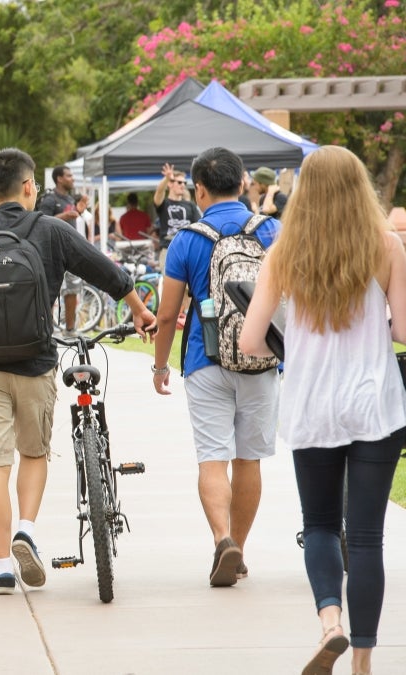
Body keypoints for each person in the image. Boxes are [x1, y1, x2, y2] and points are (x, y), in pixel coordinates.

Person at [0, 148, 156, 595]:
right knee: (33, 453)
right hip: (36, 361)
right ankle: (27, 530)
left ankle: (1, 566)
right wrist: (137, 311)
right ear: (29, 186)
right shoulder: (51, 230)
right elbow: (106, 272)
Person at [239, 145, 406, 675]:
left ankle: (329, 623)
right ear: (361, 188)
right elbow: (403, 331)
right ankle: (362, 657)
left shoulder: (284, 253)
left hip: (311, 405)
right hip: (375, 405)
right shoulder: (387, 246)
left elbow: (249, 342)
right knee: (366, 536)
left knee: (318, 525)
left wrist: (296, 348)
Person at [151, 147, 280, 587]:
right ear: (244, 183)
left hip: (204, 359)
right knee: (249, 460)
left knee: (212, 459)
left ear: (199, 190)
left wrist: (159, 366)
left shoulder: (187, 239)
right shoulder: (272, 230)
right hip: (262, 358)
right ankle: (238, 548)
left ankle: (223, 539)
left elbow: (167, 314)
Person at [38, 166, 88, 336]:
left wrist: (79, 211)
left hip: (70, 251)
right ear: (59, 178)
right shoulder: (50, 199)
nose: (72, 178)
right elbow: (41, 221)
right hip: (51, 252)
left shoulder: (69, 199)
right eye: (69, 175)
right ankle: (47, 331)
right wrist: (65, 217)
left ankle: (70, 329)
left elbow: (72, 217)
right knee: (50, 291)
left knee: (72, 290)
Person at [154, 163, 202, 255]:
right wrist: (167, 178)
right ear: (170, 184)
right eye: (179, 182)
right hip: (168, 249)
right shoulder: (164, 203)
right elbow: (159, 192)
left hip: (187, 250)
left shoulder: (190, 205)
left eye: (185, 183)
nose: (183, 185)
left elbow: (198, 226)